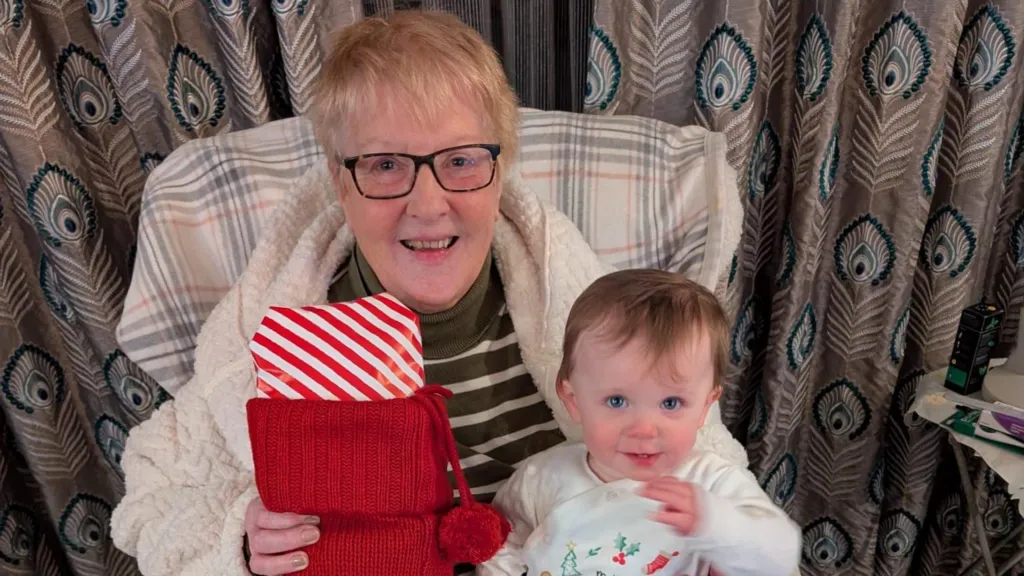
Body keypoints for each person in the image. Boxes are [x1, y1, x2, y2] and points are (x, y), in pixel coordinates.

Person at [109, 10, 748, 576]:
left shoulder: (594, 316)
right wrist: (239, 546)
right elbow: (155, 501)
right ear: (340, 180)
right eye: (385, 165)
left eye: (461, 160)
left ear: (500, 170)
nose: (429, 203)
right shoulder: (280, 336)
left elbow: (711, 468)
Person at [477, 270, 801, 576]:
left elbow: (781, 554)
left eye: (671, 403)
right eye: (617, 401)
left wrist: (714, 522)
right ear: (574, 399)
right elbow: (500, 550)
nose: (644, 430)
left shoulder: (710, 483)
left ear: (705, 407)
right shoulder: (540, 481)